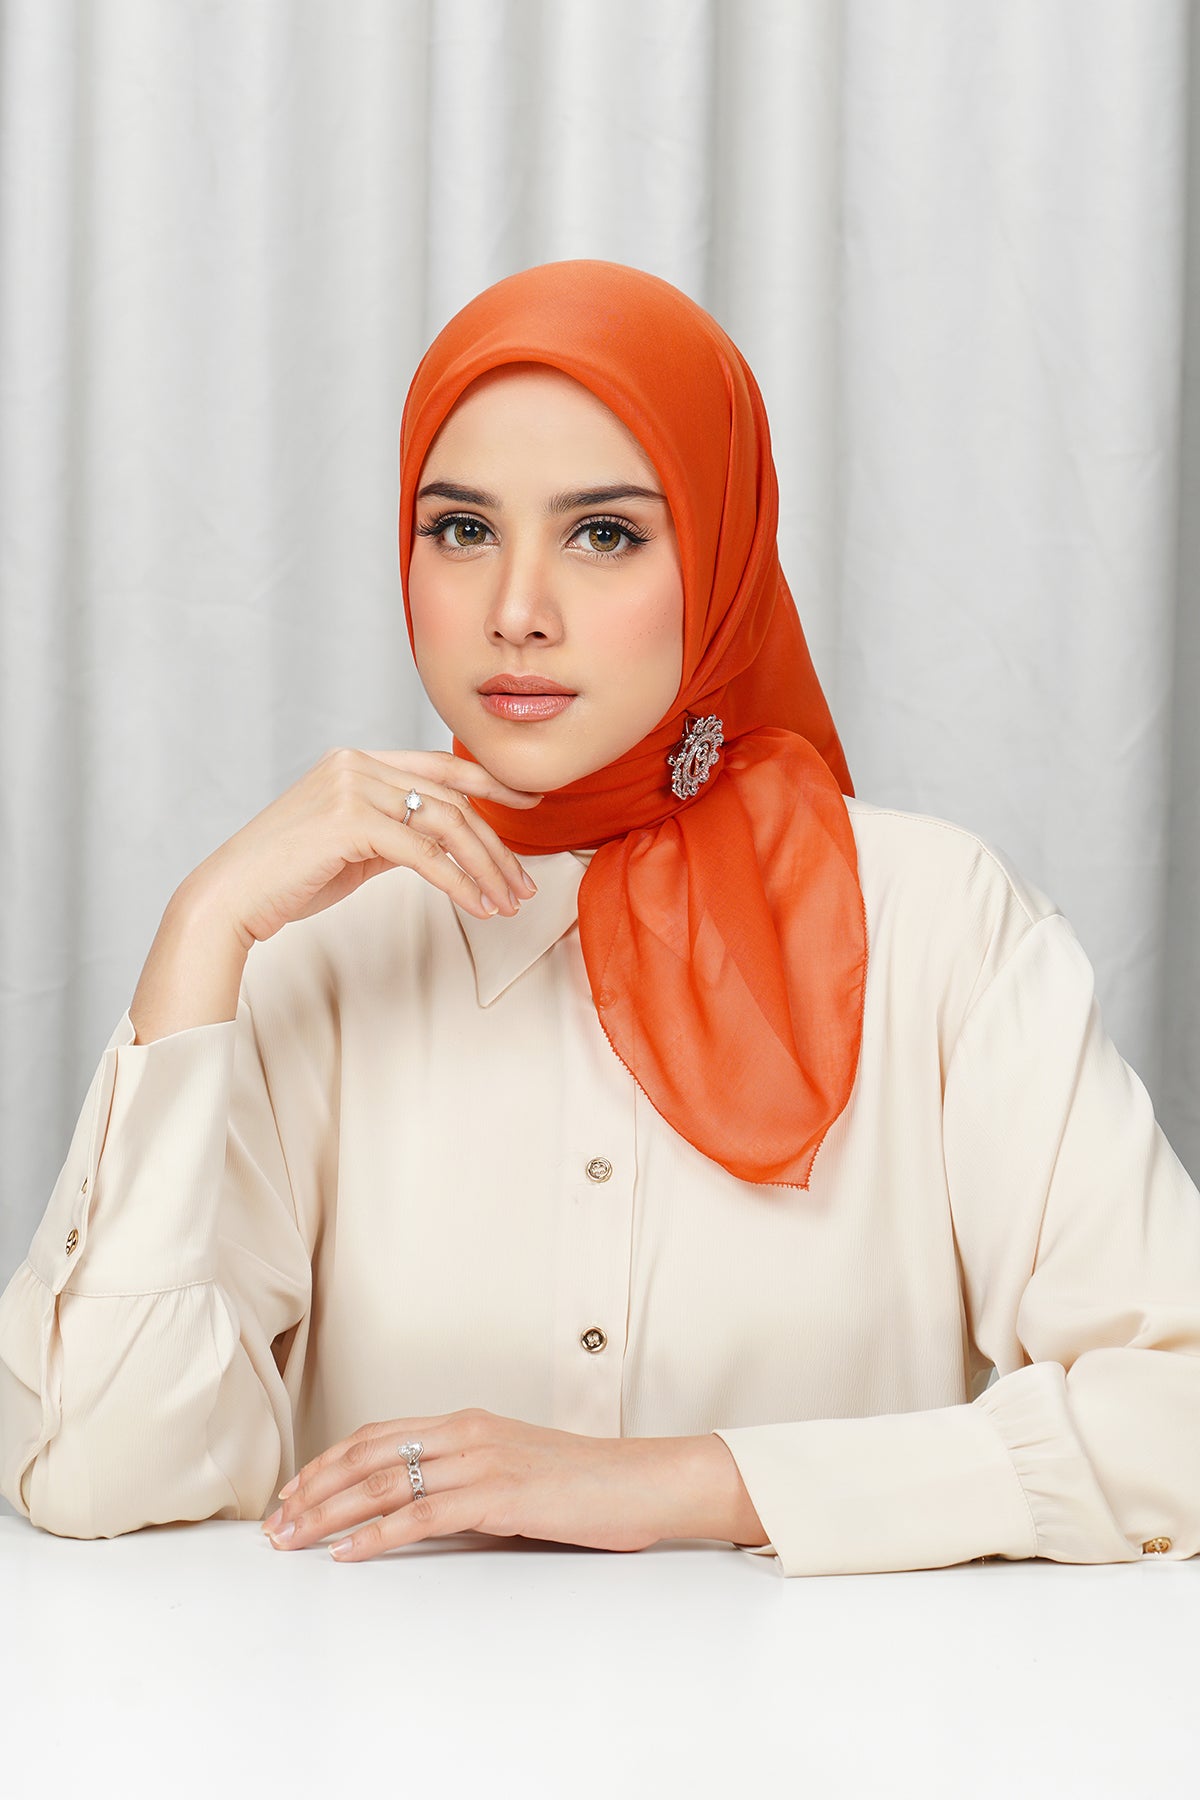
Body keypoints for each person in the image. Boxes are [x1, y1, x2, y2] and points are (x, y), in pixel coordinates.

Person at [1, 259, 1197, 1577]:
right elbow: (101, 1474)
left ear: (722, 556)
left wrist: (689, 1483)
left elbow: (1178, 1416)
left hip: (837, 1710)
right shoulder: (317, 948)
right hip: (384, 1710)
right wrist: (204, 928)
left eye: (605, 534)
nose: (516, 613)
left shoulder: (938, 925)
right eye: (462, 529)